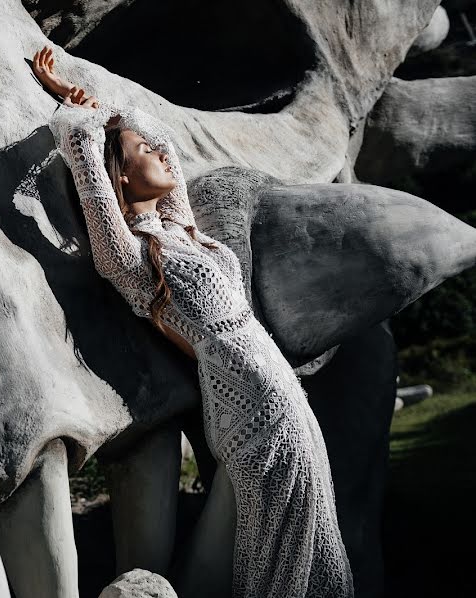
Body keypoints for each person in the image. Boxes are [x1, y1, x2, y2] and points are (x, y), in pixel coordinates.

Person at [32, 46, 354, 598]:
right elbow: (85, 156)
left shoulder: (178, 229)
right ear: (121, 180)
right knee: (278, 534)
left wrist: (118, 120)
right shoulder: (131, 257)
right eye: (141, 152)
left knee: (311, 520)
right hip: (248, 400)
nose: (158, 153)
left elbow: (167, 153)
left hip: (277, 386)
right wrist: (75, 110)